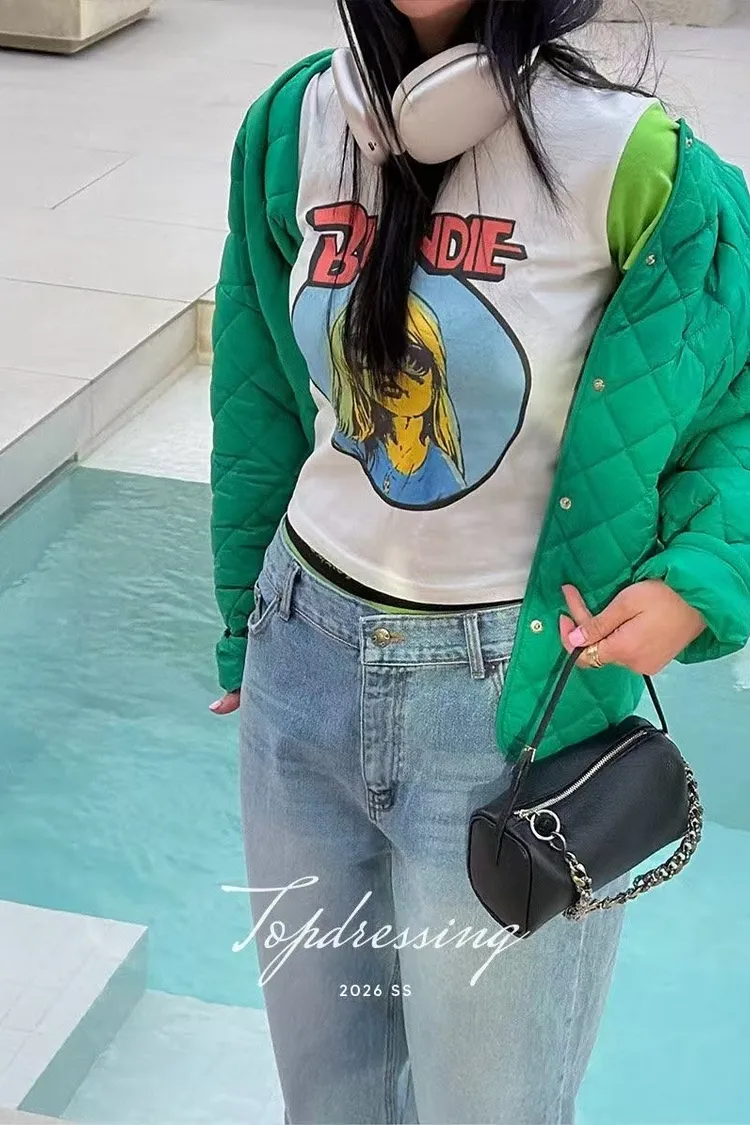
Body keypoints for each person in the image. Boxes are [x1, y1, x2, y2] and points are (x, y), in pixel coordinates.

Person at [209, 1, 750, 1122]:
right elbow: (256, 387)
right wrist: (237, 622)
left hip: (510, 708)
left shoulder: (634, 161)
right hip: (298, 664)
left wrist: (700, 577)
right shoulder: (292, 125)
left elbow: (739, 395)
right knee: (330, 1100)